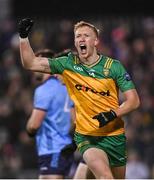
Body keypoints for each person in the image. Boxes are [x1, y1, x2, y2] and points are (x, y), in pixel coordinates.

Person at [18, 18, 140, 179]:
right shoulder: (68, 64)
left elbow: (134, 101)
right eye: (77, 36)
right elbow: (30, 63)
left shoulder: (113, 67)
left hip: (114, 137)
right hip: (88, 138)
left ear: (96, 41)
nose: (81, 39)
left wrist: (112, 114)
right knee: (105, 177)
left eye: (86, 36)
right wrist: (23, 37)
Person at [26, 48, 75, 179]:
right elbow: (74, 119)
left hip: (53, 148)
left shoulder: (45, 90)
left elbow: (34, 125)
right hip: (66, 148)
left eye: (35, 62)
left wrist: (28, 129)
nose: (32, 68)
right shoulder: (67, 86)